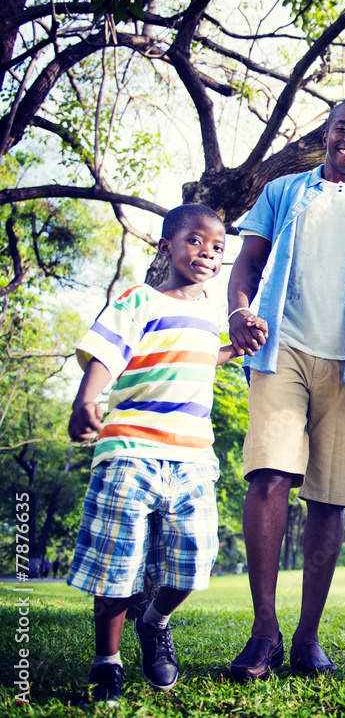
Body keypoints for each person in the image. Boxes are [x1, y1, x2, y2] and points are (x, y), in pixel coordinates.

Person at [226, 100, 345, 681]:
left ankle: (307, 637)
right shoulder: (283, 192)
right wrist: (238, 312)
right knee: (269, 476)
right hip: (279, 347)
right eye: (343, 128)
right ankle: (264, 633)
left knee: (331, 499)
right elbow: (247, 264)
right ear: (326, 135)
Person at [66, 204, 265, 705]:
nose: (207, 253)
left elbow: (195, 352)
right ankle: (106, 662)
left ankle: (154, 623)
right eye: (195, 241)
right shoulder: (138, 300)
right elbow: (109, 351)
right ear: (167, 247)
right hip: (130, 451)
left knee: (194, 560)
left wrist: (231, 350)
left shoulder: (208, 315)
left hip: (193, 458)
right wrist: (86, 400)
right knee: (117, 565)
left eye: (218, 247)